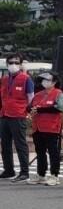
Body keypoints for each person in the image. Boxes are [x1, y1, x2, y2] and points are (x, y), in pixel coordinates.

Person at [1, 52, 35, 182]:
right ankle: (9, 170)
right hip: (4, 114)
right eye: (11, 62)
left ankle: (24, 172)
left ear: (20, 65)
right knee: (5, 144)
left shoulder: (26, 79)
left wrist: (29, 113)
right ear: (7, 64)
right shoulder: (4, 79)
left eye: (16, 62)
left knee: (20, 144)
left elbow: (31, 98)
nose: (13, 65)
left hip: (18, 115)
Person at [27, 72, 63, 186]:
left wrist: (40, 109)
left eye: (48, 80)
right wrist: (31, 109)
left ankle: (54, 175)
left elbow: (59, 108)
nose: (45, 82)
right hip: (38, 128)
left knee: (53, 152)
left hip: (52, 128)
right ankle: (41, 175)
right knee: (40, 152)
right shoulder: (38, 94)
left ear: (54, 82)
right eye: (43, 80)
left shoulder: (59, 93)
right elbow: (29, 106)